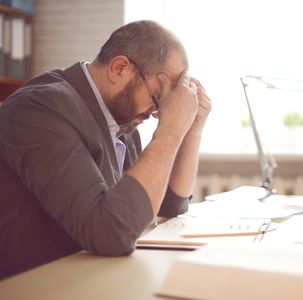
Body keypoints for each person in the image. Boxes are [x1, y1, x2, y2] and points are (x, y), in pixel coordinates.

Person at [0, 20, 211, 277]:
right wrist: (170, 129)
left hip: (86, 275)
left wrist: (192, 129)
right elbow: (110, 233)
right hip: (33, 284)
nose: (158, 112)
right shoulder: (40, 108)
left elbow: (168, 206)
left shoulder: (122, 118)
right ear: (120, 68)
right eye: (158, 98)